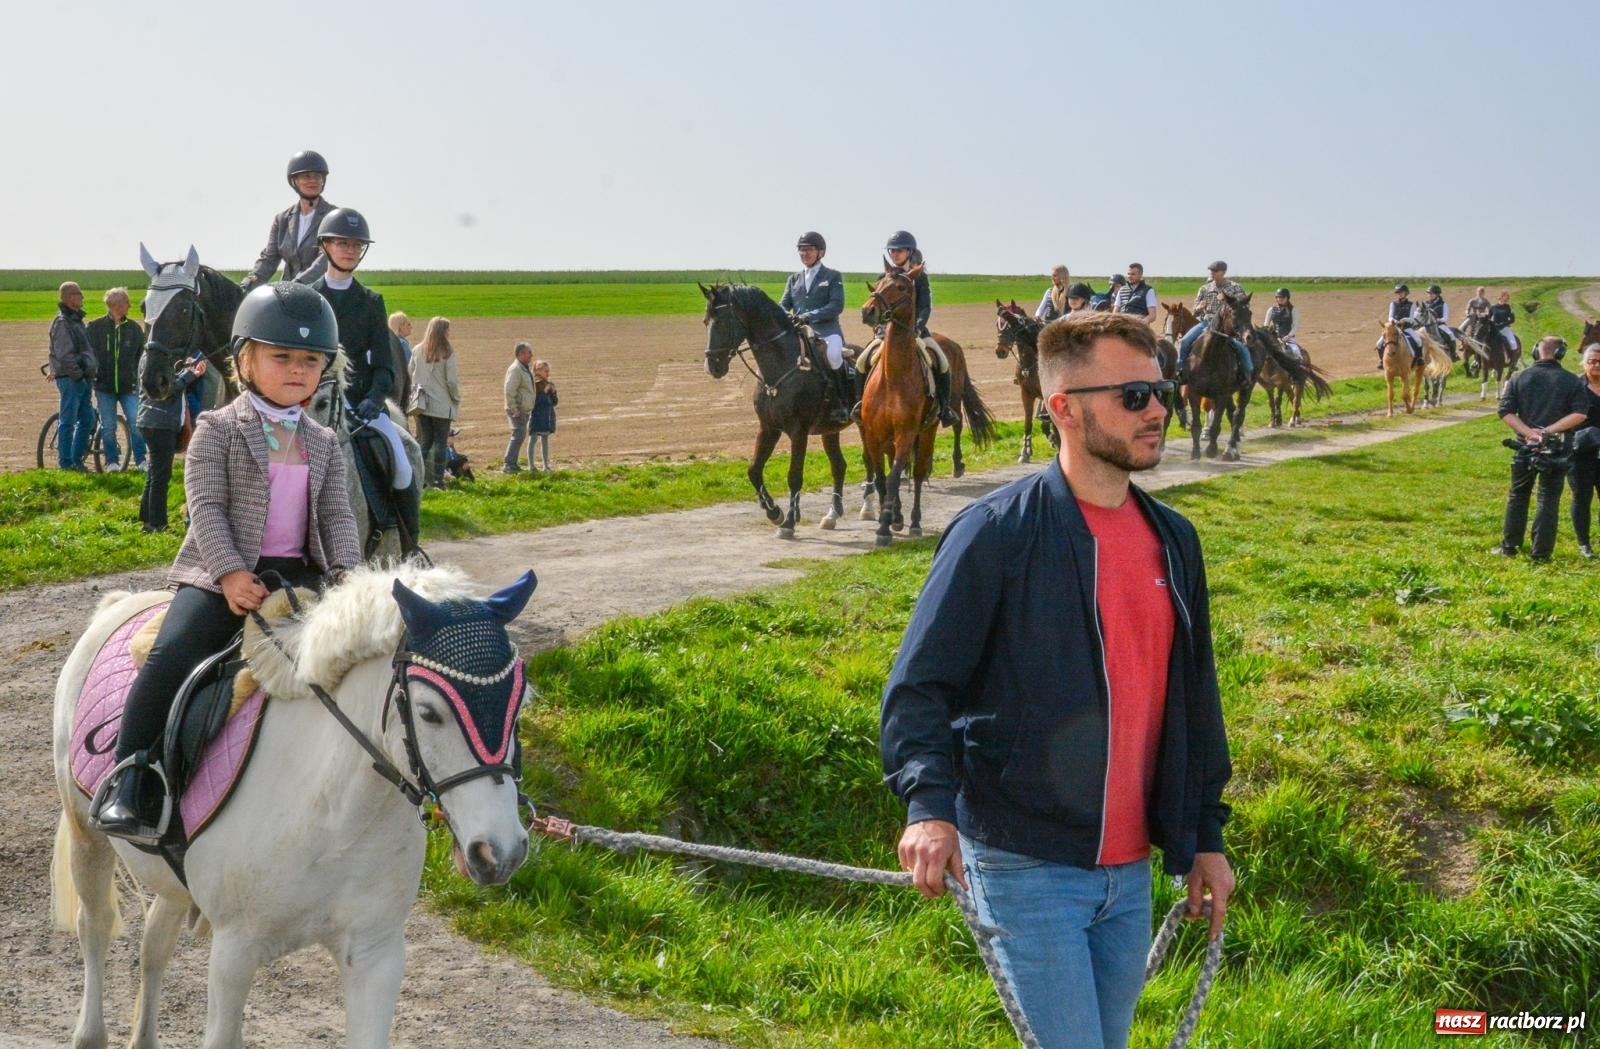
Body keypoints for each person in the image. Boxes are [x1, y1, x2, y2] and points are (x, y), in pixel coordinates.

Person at [881, 311, 1233, 1049]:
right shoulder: (997, 532)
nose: (1160, 409)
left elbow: (1196, 699)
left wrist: (1204, 834)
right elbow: (921, 687)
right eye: (1133, 395)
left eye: (1159, 389)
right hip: (1025, 862)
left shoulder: (1176, 539)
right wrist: (927, 807)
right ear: (1064, 409)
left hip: (1131, 872)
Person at [92, 283, 362, 840]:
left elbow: (337, 520)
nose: (297, 369)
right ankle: (133, 777)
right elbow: (206, 508)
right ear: (244, 359)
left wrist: (351, 579)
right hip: (221, 575)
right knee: (173, 651)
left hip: (300, 575)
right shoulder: (217, 429)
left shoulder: (325, 441)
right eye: (281, 356)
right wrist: (230, 573)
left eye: (310, 360)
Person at [309, 207, 422, 552]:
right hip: (312, 404)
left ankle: (409, 545)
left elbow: (385, 367)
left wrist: (374, 401)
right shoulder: (308, 297)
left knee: (404, 461)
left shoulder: (372, 302)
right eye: (342, 243)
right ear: (325, 246)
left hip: (361, 407)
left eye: (357, 245)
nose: (350, 250)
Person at [1491, 336, 1589, 563]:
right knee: (1548, 499)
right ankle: (1541, 553)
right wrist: (1548, 432)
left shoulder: (1518, 378)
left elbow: (1505, 411)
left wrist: (1529, 434)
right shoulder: (1572, 381)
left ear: (1537, 352)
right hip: (1557, 447)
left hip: (1524, 447)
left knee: (1518, 495)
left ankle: (1510, 547)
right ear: (1560, 354)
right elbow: (1580, 413)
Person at [853, 231, 958, 427]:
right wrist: (879, 327)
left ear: (909, 252)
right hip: (886, 335)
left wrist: (917, 327)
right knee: (860, 362)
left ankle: (944, 409)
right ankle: (860, 404)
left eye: (899, 250)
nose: (895, 254)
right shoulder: (883, 277)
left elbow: (925, 306)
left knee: (942, 363)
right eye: (892, 251)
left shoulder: (920, 278)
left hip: (915, 332)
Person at [779, 231, 853, 424]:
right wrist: (781, 315)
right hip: (799, 331)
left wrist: (807, 316)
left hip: (827, 332)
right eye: (801, 250)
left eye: (809, 250)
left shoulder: (832, 276)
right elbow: (783, 305)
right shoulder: (793, 279)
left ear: (821, 252)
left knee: (834, 355)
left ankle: (840, 403)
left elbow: (836, 305)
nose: (805, 254)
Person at [241, 150, 336, 290]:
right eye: (306, 176)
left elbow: (324, 261)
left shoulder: (334, 217)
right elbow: (269, 260)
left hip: (321, 292)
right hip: (287, 293)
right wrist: (247, 284)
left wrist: (296, 285)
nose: (313, 181)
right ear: (294, 181)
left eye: (318, 176)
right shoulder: (282, 220)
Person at [134, 347, 206, 532]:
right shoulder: (158, 360)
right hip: (160, 422)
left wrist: (185, 370)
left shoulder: (149, 358)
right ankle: (157, 524)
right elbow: (168, 388)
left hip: (151, 420)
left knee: (154, 472)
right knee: (161, 476)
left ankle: (147, 517)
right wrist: (191, 375)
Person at [86, 286, 147, 471]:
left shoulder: (135, 329)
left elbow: (141, 356)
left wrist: (137, 378)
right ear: (115, 305)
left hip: (129, 387)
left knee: (136, 423)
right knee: (108, 426)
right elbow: (88, 354)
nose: (129, 306)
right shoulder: (95, 328)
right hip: (104, 387)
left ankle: (141, 461)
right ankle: (112, 462)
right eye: (126, 302)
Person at [46, 281, 98, 471]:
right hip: (70, 379)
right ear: (68, 298)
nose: (82, 298)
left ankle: (76, 461)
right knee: (68, 421)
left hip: (81, 378)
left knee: (88, 419)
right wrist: (78, 375)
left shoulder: (75, 320)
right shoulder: (62, 323)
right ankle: (66, 463)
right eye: (78, 294)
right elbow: (64, 355)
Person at [1176, 261, 1252, 379]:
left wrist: (1228, 298)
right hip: (1206, 322)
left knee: (1240, 346)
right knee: (1185, 341)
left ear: (1223, 272)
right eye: (1211, 270)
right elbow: (1194, 311)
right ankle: (1180, 370)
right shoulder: (1204, 289)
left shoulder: (1235, 287)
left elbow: (1244, 305)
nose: (1212, 273)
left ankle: (1247, 373)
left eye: (1215, 271)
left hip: (1227, 325)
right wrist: (1199, 308)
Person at [409, 316, 461, 489]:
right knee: (440, 442)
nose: (449, 333)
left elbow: (410, 372)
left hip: (422, 404)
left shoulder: (417, 349)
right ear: (442, 331)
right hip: (441, 404)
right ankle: (438, 481)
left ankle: (420, 479)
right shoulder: (447, 352)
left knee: (424, 442)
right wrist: (456, 398)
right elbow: (452, 381)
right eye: (447, 329)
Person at [1567, 344, 1600, 559]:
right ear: (1583, 363)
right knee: (1582, 497)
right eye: (1591, 361)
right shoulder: (1574, 387)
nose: (1596, 365)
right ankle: (1584, 544)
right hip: (1581, 453)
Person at [503, 341, 536, 472]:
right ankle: (508, 464)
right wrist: (514, 408)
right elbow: (509, 390)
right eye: (529, 353)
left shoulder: (523, 368)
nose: (531, 355)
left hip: (522, 409)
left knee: (520, 435)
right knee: (518, 435)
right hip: (517, 409)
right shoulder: (516, 369)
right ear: (521, 354)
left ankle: (513, 463)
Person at [1376, 284, 1424, 368]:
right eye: (1398, 292)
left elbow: (1412, 318)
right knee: (1379, 343)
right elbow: (1390, 316)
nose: (1399, 294)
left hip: (1407, 328)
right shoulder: (1393, 304)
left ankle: (1419, 359)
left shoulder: (1411, 305)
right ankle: (1381, 361)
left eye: (1401, 292)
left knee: (1418, 341)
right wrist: (1394, 321)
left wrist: (1405, 319)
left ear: (1406, 293)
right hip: (1395, 328)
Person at [529, 359, 559, 471]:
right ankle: (531, 466)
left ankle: (546, 466)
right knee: (532, 441)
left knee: (545, 441)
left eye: (548, 371)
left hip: (547, 417)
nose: (548, 373)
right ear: (537, 371)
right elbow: (535, 402)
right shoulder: (534, 385)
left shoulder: (549, 384)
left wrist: (554, 392)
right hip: (537, 417)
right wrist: (545, 392)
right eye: (545, 371)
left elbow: (554, 402)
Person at [1261, 287, 1304, 362]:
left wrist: (1288, 336)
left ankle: (1300, 368)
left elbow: (1295, 326)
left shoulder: (1293, 310)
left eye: (1282, 297)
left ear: (1287, 298)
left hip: (1288, 338)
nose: (1279, 299)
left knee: (1296, 351)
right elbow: (1266, 325)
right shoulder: (1271, 309)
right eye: (1278, 297)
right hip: (1274, 338)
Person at [1420, 283, 1459, 356]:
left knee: (1451, 335)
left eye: (1432, 293)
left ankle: (1453, 354)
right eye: (1429, 293)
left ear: (1437, 294)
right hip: (1427, 326)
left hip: (1440, 325)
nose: (1430, 295)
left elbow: (1445, 318)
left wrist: (1437, 320)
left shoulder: (1443, 304)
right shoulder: (1425, 304)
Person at [1490, 291, 1521, 356]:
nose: (1507, 299)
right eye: (1506, 297)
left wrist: (1504, 324)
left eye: (1508, 298)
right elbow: (1488, 318)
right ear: (1501, 297)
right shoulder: (1493, 307)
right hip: (1495, 329)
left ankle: (1512, 361)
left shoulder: (1508, 307)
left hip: (1505, 328)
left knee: (1513, 344)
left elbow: (1512, 320)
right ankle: (1477, 361)